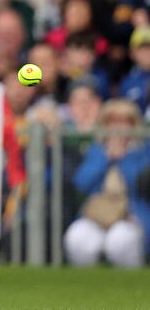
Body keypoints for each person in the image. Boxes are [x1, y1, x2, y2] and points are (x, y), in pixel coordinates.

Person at [64, 99, 150, 268]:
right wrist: (106, 158)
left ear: (134, 125)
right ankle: (87, 288)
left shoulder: (143, 151)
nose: (117, 127)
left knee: (119, 241)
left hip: (131, 215)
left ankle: (129, 287)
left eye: (124, 121)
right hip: (97, 214)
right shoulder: (97, 151)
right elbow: (81, 183)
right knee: (77, 238)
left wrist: (123, 158)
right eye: (112, 121)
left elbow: (140, 185)